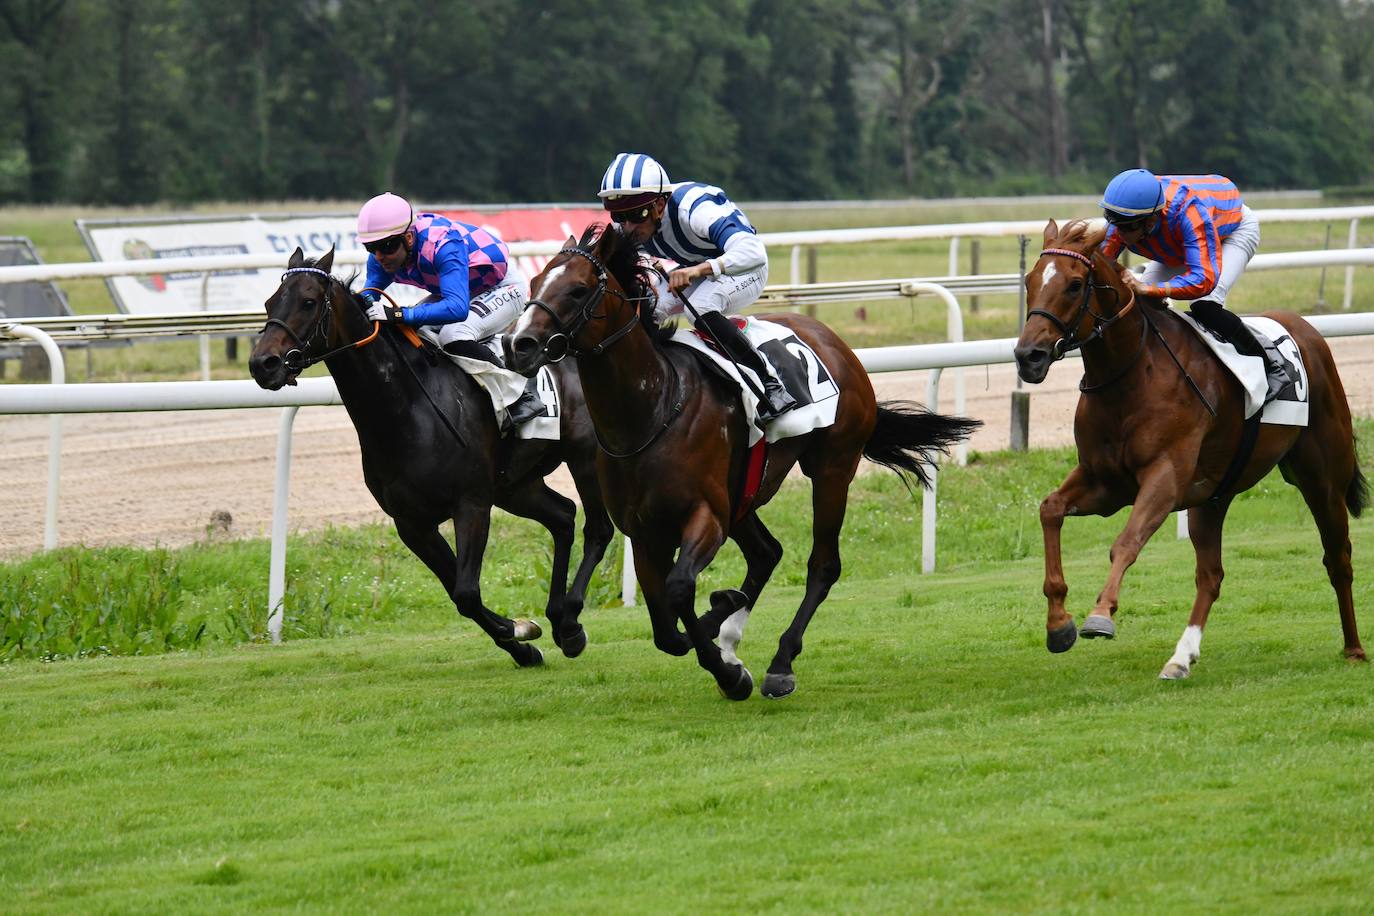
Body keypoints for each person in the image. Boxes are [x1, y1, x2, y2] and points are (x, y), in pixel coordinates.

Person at [597, 152, 797, 420]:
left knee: (700, 308)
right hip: (700, 268)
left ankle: (770, 384)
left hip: (744, 267)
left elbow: (753, 252)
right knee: (647, 307)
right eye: (620, 217)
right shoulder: (631, 225)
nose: (629, 227)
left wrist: (697, 270)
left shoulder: (695, 209)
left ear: (659, 204)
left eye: (637, 214)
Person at [355, 192, 544, 428]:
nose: (380, 256)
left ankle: (520, 393)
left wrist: (401, 313)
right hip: (461, 287)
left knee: (453, 334)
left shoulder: (444, 244)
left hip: (503, 287)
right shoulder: (381, 256)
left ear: (409, 238)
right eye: (371, 247)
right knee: (408, 331)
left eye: (387, 246)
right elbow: (367, 297)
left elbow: (456, 308)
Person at [1098, 168, 1288, 398]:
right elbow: (1100, 264)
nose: (1120, 233)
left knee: (1205, 304)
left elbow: (1203, 280)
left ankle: (1271, 363)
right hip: (1178, 241)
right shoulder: (1127, 218)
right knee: (1141, 304)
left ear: (1151, 221)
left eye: (1128, 227)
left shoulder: (1188, 213)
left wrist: (1148, 287)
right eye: (1115, 224)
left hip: (1230, 232)